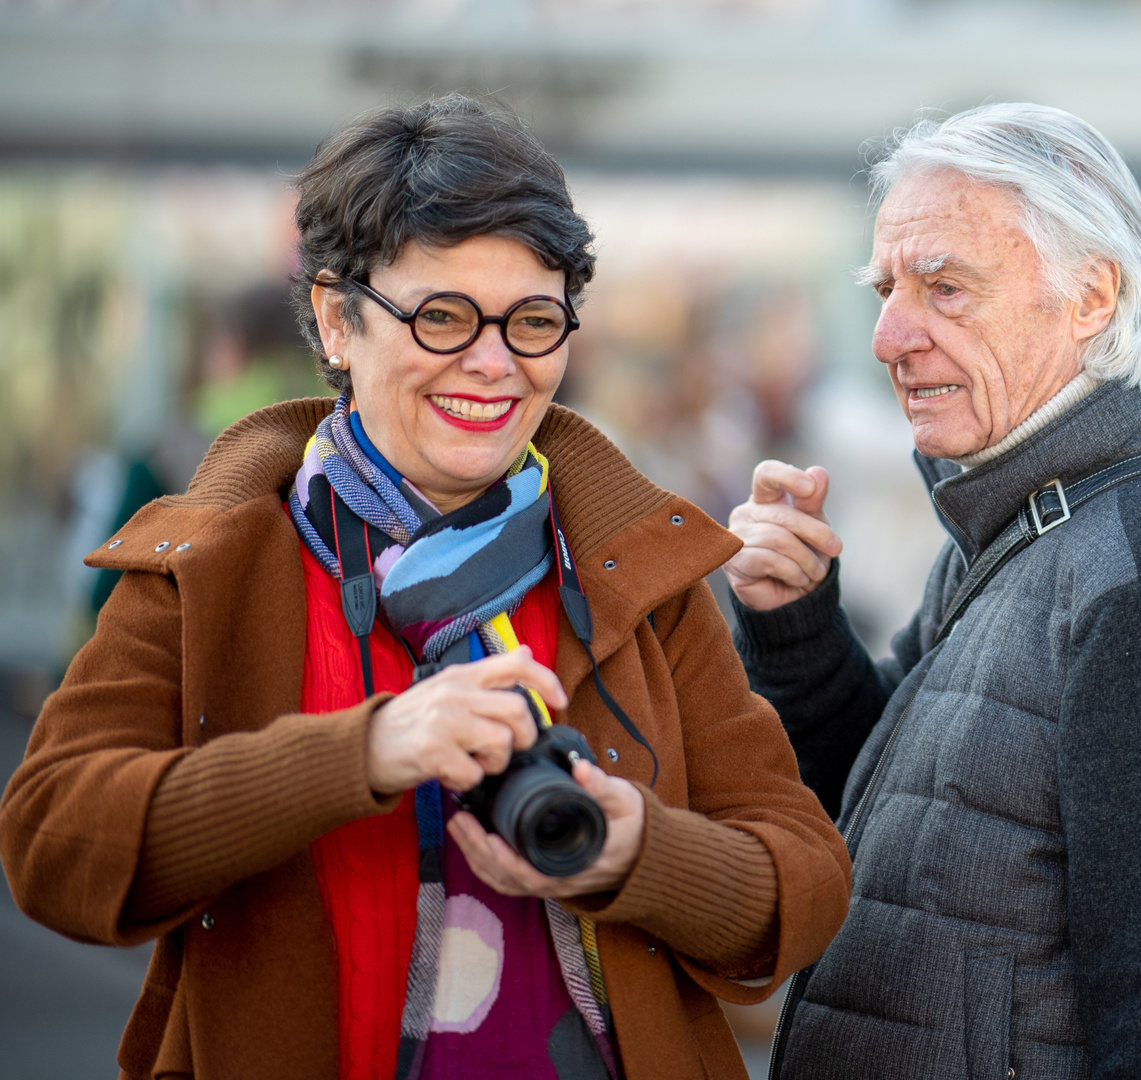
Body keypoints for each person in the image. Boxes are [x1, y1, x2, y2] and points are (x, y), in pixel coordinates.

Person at [0, 95, 850, 1080]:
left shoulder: (636, 570)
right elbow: (53, 844)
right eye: (442, 316)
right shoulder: (214, 561)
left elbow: (807, 886)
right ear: (336, 319)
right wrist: (364, 750)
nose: (493, 364)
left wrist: (638, 858)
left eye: (534, 321)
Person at [724, 102, 1141, 1079]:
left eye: (945, 288)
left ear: (1091, 298)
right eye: (885, 289)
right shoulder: (1036, 513)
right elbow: (901, 833)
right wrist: (797, 629)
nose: (888, 336)